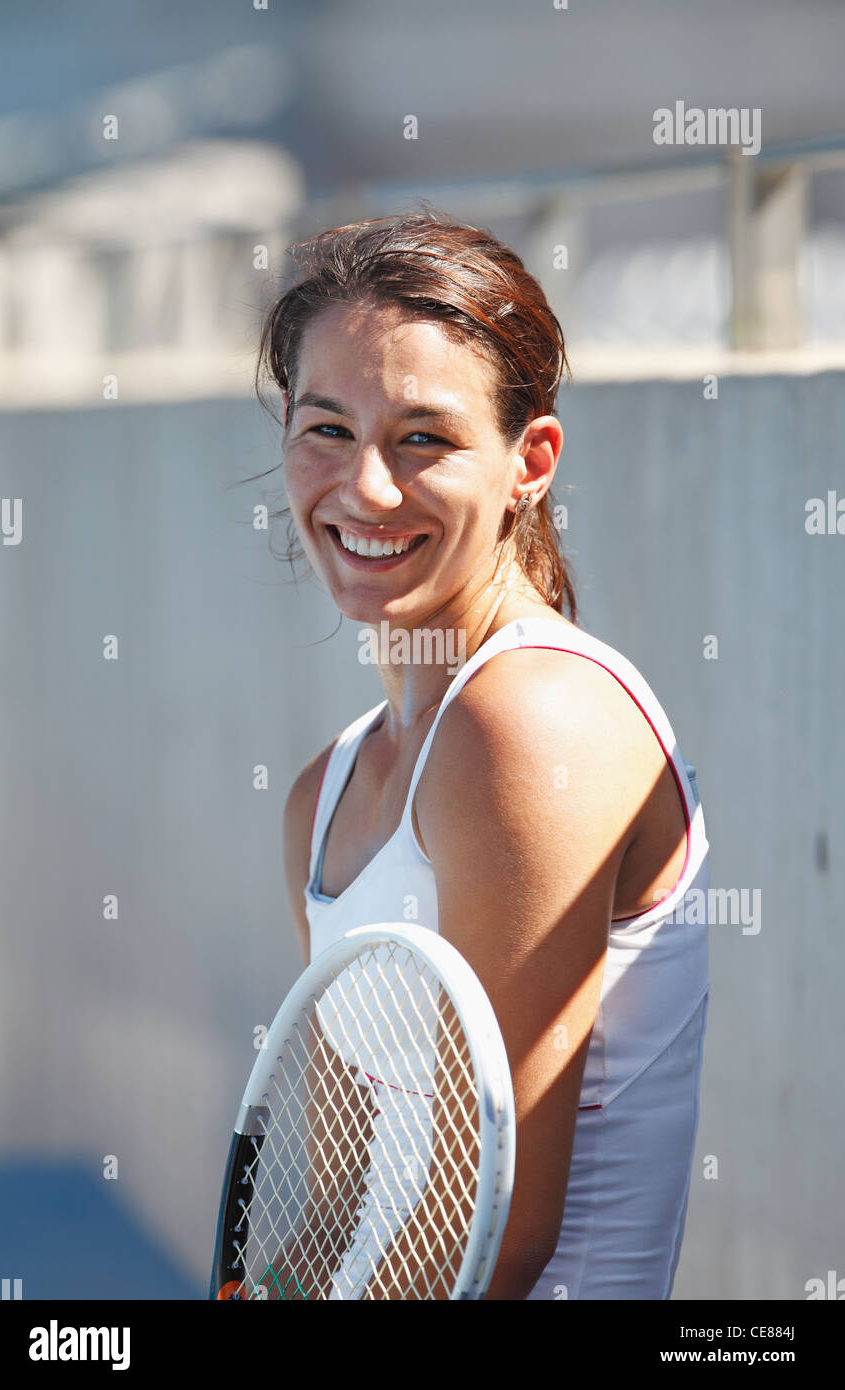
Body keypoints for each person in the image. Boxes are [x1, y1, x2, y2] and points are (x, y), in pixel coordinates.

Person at [257, 207, 710, 1300]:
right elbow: (337, 1207)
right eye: (326, 429)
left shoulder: (534, 724)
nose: (365, 489)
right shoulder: (327, 794)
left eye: (423, 438)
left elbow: (492, 1231)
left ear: (528, 460)